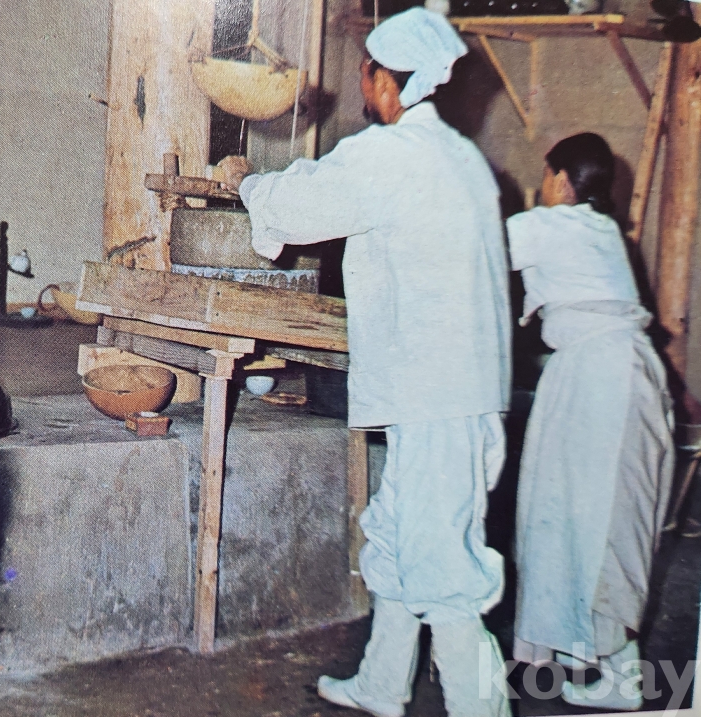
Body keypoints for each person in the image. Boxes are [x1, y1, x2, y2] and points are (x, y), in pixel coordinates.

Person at [219, 8, 512, 717]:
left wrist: (246, 181)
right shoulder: (462, 158)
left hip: (439, 396)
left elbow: (302, 204)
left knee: (443, 568)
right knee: (404, 531)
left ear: (387, 82)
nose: (361, 85)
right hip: (453, 392)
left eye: (367, 73)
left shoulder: (392, 154)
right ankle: (383, 682)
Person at [508, 132, 675, 711]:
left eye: (545, 176)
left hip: (598, 381)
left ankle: (618, 677)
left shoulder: (551, 224)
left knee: (590, 521)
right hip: (625, 373)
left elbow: (472, 245)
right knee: (592, 519)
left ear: (559, 180)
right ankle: (600, 667)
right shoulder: (606, 232)